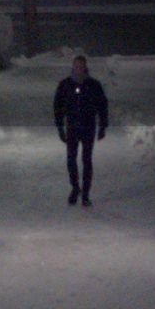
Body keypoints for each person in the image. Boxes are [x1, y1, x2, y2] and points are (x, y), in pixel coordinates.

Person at [53, 55, 109, 207]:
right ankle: (75, 188)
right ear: (73, 67)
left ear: (85, 67)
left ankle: (85, 194)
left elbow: (102, 105)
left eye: (81, 66)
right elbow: (58, 106)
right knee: (71, 160)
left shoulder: (94, 85)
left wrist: (103, 126)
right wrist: (60, 127)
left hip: (88, 127)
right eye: (76, 66)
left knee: (86, 160)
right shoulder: (65, 85)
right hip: (72, 127)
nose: (78, 69)